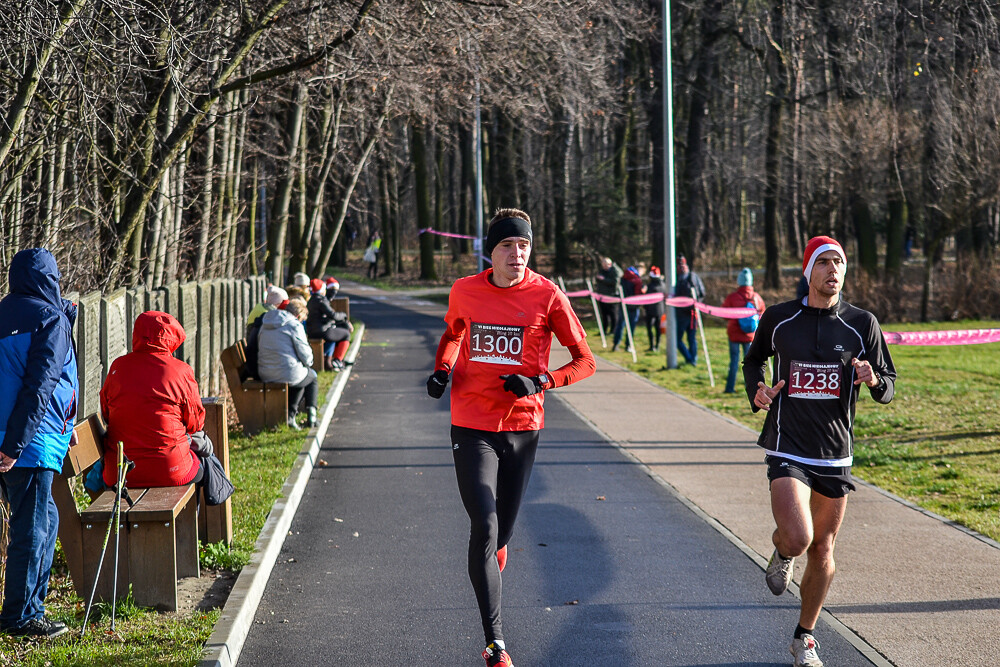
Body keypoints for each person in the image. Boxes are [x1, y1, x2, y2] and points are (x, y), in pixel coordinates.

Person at [426, 208, 596, 667]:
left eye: (524, 245)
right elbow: (453, 334)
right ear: (491, 251)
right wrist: (442, 370)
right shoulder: (465, 290)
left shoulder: (548, 295)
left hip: (523, 426)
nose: (517, 253)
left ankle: (496, 554)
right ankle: (495, 642)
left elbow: (585, 361)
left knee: (503, 532)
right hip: (471, 422)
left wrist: (541, 382)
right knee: (483, 524)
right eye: (507, 245)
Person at [742, 236, 896, 667]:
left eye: (840, 263)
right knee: (798, 536)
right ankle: (782, 546)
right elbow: (753, 361)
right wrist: (757, 391)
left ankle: (804, 637)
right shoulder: (778, 318)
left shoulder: (861, 324)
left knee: (823, 550)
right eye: (825, 262)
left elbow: (888, 383)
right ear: (808, 270)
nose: (833, 270)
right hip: (787, 443)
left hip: (834, 451)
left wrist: (874, 379)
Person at [0, 248, 77, 639]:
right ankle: (19, 616)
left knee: (46, 520)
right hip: (28, 443)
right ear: (51, 278)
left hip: (19, 438)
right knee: (32, 529)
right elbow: (40, 386)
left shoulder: (4, 311)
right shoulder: (50, 318)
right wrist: (14, 445)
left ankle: (32, 607)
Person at [100, 311, 210, 488]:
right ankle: (197, 514)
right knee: (202, 463)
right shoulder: (181, 371)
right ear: (172, 337)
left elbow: (106, 414)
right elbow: (195, 422)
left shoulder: (118, 367)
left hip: (121, 473)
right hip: (171, 469)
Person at [258, 297, 318, 429]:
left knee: (299, 374)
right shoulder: (294, 325)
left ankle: (291, 415)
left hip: (265, 372)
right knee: (310, 376)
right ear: (298, 315)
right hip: (287, 372)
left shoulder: (265, 323)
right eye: (302, 319)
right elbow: (305, 355)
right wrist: (308, 362)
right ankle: (306, 415)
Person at [722, 268, 765, 394]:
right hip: (750, 336)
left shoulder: (732, 297)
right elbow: (762, 314)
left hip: (734, 335)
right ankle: (752, 390)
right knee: (750, 365)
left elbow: (724, 314)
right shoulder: (756, 298)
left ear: (739, 281)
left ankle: (730, 388)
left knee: (734, 362)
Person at [306, 278, 353, 371]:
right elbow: (333, 315)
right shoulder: (321, 300)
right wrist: (344, 315)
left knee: (334, 334)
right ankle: (338, 360)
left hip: (312, 330)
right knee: (346, 334)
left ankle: (329, 360)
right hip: (322, 330)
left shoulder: (311, 300)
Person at [673, 256, 706, 366]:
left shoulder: (692, 277)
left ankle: (691, 359)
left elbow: (702, 293)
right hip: (686, 314)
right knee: (685, 339)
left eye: (683, 265)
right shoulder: (676, 278)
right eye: (679, 265)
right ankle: (691, 359)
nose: (681, 267)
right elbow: (702, 292)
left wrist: (695, 304)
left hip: (690, 314)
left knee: (688, 338)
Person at [611, 265, 642, 352]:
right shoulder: (637, 280)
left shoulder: (623, 279)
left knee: (620, 325)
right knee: (631, 327)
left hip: (623, 305)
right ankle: (628, 346)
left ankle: (616, 344)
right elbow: (638, 294)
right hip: (634, 306)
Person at [593, 256, 623, 337]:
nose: (604, 266)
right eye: (603, 265)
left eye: (605, 265)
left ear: (609, 264)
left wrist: (603, 280)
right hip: (602, 296)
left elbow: (615, 283)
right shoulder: (602, 271)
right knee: (604, 315)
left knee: (613, 314)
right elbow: (598, 279)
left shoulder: (616, 271)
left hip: (612, 296)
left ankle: (613, 330)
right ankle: (604, 331)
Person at [643, 266, 667, 352]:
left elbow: (647, 297)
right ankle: (656, 345)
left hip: (651, 310)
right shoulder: (663, 284)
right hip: (660, 310)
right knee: (657, 329)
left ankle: (652, 346)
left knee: (650, 328)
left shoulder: (651, 285)